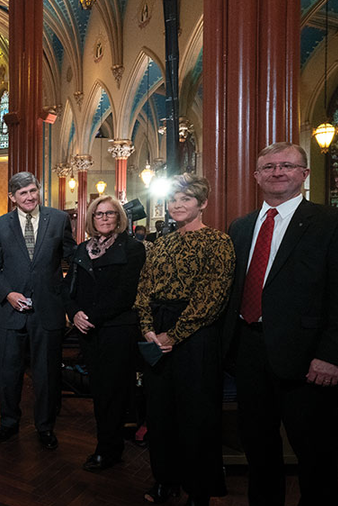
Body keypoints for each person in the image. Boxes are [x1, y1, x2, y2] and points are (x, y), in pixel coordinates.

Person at [224, 142, 338, 506]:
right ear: (256, 176)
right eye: (268, 167)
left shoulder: (335, 223)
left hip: (309, 360)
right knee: (258, 448)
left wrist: (332, 356)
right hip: (250, 353)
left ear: (304, 173)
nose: (277, 172)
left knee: (314, 453)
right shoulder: (241, 226)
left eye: (287, 165)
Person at [134, 173, 234, 506]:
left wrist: (174, 335)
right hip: (156, 328)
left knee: (197, 415)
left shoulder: (218, 241)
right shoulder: (161, 243)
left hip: (196, 334)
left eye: (186, 199)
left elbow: (212, 295)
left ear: (202, 204)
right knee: (160, 413)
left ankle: (199, 489)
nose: (177, 205)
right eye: (173, 200)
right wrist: (148, 327)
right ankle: (165, 480)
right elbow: (144, 288)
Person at [0, 172, 76, 450]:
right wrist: (8, 294)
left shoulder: (59, 219)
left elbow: (72, 259)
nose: (29, 197)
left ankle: (45, 427)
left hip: (48, 311)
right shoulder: (0, 226)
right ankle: (9, 422)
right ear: (12, 197)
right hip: (12, 312)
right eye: (22, 193)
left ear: (39, 191)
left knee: (47, 373)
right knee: (10, 371)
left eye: (32, 191)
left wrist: (63, 296)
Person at [62, 195, 145, 471]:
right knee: (99, 391)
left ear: (119, 217)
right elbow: (68, 288)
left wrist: (91, 317)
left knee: (114, 392)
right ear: (92, 219)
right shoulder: (83, 249)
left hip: (117, 329)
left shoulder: (132, 248)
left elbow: (126, 293)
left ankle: (108, 449)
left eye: (110, 213)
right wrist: (74, 313)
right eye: (99, 214)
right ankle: (106, 444)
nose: (105, 218)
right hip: (88, 330)